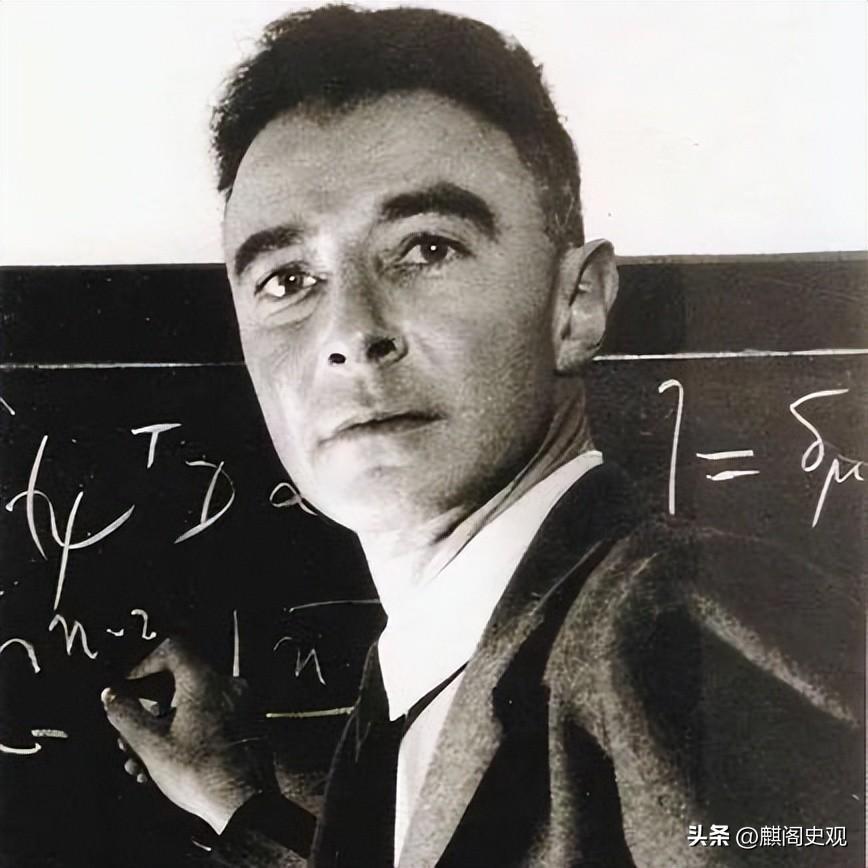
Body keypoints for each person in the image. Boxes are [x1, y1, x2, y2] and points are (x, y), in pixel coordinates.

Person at [101, 6, 862, 867]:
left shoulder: (666, 622)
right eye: (287, 279)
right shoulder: (442, 675)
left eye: (426, 249)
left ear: (576, 306)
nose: (350, 332)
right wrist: (240, 808)